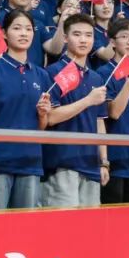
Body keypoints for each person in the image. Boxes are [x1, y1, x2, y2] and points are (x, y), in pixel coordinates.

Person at [0, 9, 53, 210]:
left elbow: (41, 128)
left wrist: (43, 115)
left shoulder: (41, 75)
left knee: (26, 225)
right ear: (4, 33)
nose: (23, 33)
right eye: (17, 28)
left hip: (31, 163)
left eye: (28, 29)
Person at [41, 14, 108, 207]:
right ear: (65, 38)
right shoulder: (53, 72)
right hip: (62, 163)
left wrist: (104, 161)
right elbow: (50, 117)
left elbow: (99, 121)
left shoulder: (96, 78)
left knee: (90, 223)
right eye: (77, 34)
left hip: (91, 164)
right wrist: (88, 100)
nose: (83, 40)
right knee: (63, 223)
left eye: (88, 35)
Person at [99, 19, 129, 203]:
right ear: (112, 41)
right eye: (125, 37)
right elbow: (113, 112)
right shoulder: (105, 73)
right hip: (114, 159)